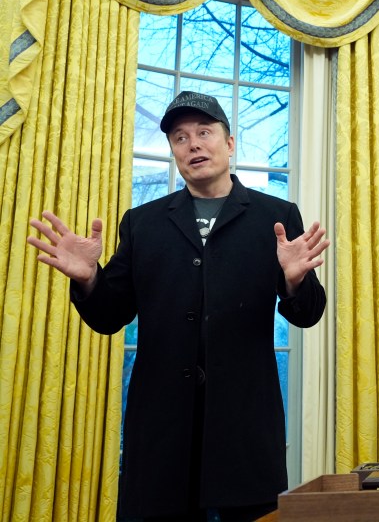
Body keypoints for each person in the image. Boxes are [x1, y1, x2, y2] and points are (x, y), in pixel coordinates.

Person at [28, 91, 330, 521]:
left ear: (229, 143)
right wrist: (90, 279)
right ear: (173, 151)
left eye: (204, 133)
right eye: (180, 138)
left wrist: (295, 280)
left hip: (244, 429)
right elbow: (111, 316)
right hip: (161, 432)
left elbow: (308, 313)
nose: (193, 145)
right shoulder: (143, 222)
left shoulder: (275, 217)